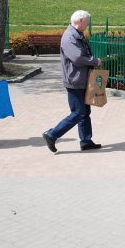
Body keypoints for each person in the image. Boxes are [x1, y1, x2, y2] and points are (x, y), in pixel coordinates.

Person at [42, 10, 103, 153]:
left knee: (85, 111)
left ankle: (86, 141)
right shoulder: (70, 37)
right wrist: (95, 61)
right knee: (78, 112)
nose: (87, 26)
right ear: (80, 21)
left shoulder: (78, 35)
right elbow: (77, 58)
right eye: (86, 23)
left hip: (82, 78)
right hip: (74, 80)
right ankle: (51, 135)